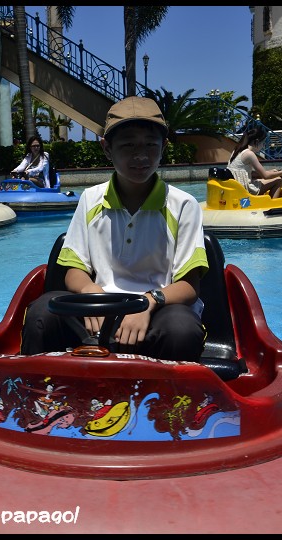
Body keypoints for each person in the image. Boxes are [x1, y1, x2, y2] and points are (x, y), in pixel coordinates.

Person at [20, 96, 209, 363]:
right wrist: (90, 292)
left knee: (181, 329)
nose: (140, 155)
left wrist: (147, 303)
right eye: (128, 145)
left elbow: (190, 286)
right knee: (42, 312)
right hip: (99, 308)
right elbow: (74, 270)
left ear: (163, 147)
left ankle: (170, 402)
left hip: (157, 309)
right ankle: (43, 394)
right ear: (107, 149)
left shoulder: (183, 205)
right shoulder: (90, 199)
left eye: (150, 145)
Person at [226, 127, 282, 199]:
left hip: (236, 186)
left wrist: (270, 172)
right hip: (245, 189)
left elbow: (243, 172)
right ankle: (272, 206)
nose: (263, 146)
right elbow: (266, 176)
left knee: (259, 177)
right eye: (263, 143)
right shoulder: (249, 154)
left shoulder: (237, 150)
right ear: (257, 141)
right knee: (278, 180)